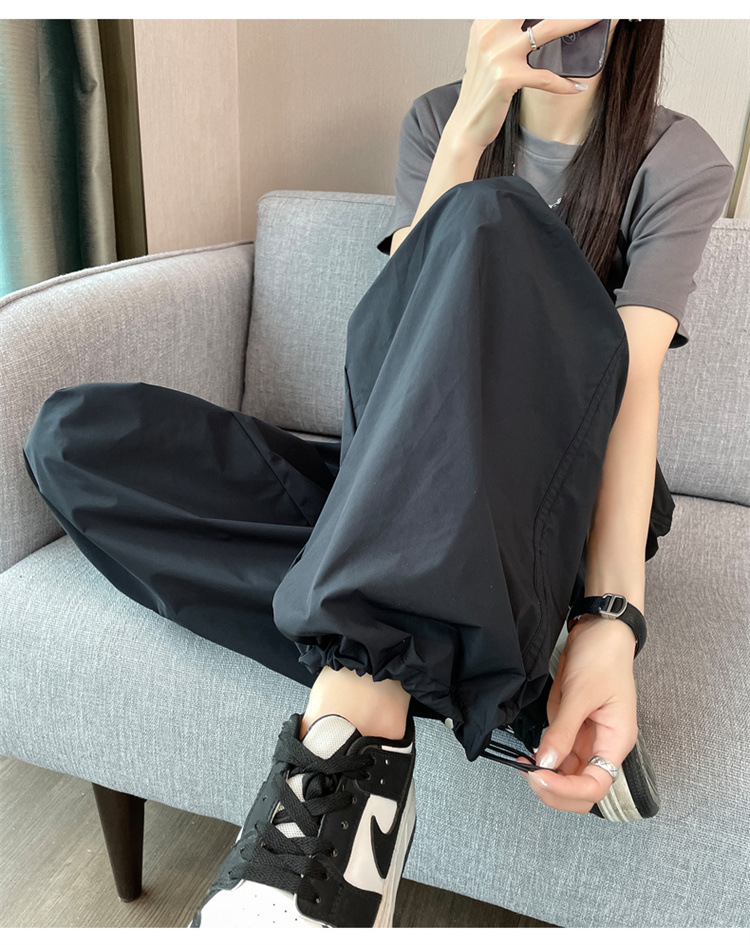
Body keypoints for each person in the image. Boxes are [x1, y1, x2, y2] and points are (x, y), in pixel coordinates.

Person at [21, 19, 735, 929]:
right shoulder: (439, 120)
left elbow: (630, 391)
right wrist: (473, 125)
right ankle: (488, 671)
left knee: (493, 219)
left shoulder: (676, 158)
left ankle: (353, 752)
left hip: (554, 497)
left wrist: (610, 617)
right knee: (78, 438)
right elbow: (400, 354)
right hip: (404, 468)